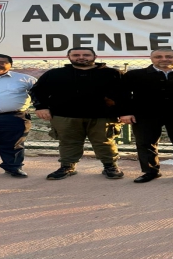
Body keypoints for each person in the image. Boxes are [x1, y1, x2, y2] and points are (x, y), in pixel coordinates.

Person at [30, 47, 127, 180]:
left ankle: (110, 166)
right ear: (68, 57)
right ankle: (67, 166)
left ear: (95, 57)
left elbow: (125, 95)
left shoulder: (113, 73)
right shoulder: (55, 74)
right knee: (68, 142)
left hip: (103, 116)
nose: (81, 57)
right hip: (65, 115)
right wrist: (41, 107)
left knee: (104, 142)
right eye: (76, 55)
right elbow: (37, 91)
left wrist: (125, 112)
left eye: (86, 55)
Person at [120, 49, 173, 183]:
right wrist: (126, 112)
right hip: (145, 115)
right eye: (158, 56)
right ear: (151, 59)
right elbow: (122, 94)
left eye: (169, 56)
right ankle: (150, 172)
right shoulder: (134, 75)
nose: (164, 59)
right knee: (146, 144)